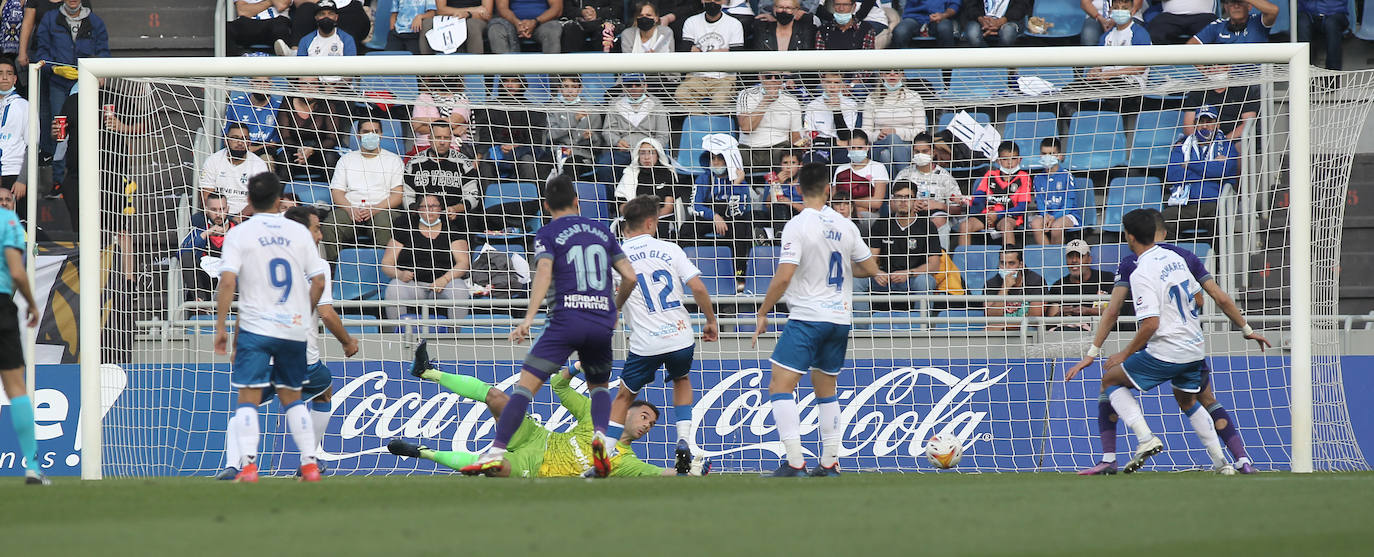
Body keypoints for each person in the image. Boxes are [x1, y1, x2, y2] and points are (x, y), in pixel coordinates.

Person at [1063, 209, 1270, 474]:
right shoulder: (1180, 258)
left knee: (1110, 381)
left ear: (1130, 235)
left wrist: (1117, 353)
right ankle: (1229, 463)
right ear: (1161, 232)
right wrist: (1246, 329)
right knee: (1191, 399)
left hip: (1167, 347)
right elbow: (1206, 299)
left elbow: (1137, 319)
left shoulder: (1136, 268)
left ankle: (1139, 442)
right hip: (1194, 345)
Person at [460, 175, 639, 478]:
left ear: (545, 205)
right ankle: (599, 439)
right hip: (600, 322)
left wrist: (529, 318)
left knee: (524, 390)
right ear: (577, 201)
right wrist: (615, 308)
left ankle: (496, 450)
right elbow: (631, 277)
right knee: (597, 389)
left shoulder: (548, 232)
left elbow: (543, 270)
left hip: (565, 320)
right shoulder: (601, 231)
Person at [394, 342, 709, 477]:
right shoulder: (594, 415)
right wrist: (575, 366)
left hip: (535, 463)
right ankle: (426, 372)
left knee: (490, 466)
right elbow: (559, 386)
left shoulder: (624, 463)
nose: (647, 425)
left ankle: (423, 453)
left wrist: (690, 471)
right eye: (645, 416)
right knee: (499, 398)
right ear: (625, 410)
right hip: (537, 436)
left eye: (651, 425)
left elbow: (661, 473)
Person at [750, 162, 879, 477]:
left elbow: (784, 275)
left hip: (808, 316)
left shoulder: (798, 224)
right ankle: (829, 462)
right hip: (839, 319)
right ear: (829, 190)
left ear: (797, 188)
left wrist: (763, 311)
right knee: (826, 390)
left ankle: (795, 462)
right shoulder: (846, 224)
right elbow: (871, 268)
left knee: (780, 386)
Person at [215, 206, 359, 480]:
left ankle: (235, 464)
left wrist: (236, 345)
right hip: (298, 355)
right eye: (316, 228)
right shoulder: (317, 265)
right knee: (324, 392)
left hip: (260, 350)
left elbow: (245, 306)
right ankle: (310, 460)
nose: (320, 234)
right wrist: (347, 342)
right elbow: (326, 313)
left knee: (247, 405)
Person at [611, 195, 720, 473]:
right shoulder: (670, 249)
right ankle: (684, 442)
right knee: (681, 379)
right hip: (680, 336)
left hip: (645, 341)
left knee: (624, 397)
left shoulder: (616, 255)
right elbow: (697, 288)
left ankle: (606, 451)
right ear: (651, 222)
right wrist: (710, 320)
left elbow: (613, 294)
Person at [0, 195, 44, 484]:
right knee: (16, 387)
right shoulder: (8, 221)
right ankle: (32, 467)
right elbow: (17, 271)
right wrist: (31, 302)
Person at [33, 0, 106, 159]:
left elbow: (103, 52)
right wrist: (54, 68)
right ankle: (59, 180)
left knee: (85, 128)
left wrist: (99, 72)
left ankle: (85, 172)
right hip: (58, 84)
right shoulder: (50, 19)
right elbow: (41, 54)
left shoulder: (94, 21)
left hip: (84, 85)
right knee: (59, 131)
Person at [323, 119, 405, 260]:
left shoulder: (393, 160)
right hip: (350, 210)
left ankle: (385, 271)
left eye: (375, 132)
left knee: (385, 224)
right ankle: (335, 269)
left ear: (381, 134)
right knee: (330, 226)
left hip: (382, 209)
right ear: (358, 135)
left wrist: (375, 208)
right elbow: (336, 192)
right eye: (366, 132)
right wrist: (350, 209)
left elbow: (397, 196)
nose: (371, 135)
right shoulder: (346, 160)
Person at [381, 194, 472, 321]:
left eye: (433, 206)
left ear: (440, 209)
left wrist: (445, 279)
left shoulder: (453, 231)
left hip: (444, 285)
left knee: (459, 289)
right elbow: (386, 263)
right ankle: (397, 336)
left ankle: (456, 337)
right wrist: (399, 274)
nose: (429, 210)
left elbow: (463, 263)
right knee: (394, 287)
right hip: (413, 285)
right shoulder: (404, 230)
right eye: (424, 206)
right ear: (418, 210)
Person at [1164, 105, 1238, 241]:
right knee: (1163, 221)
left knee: (1220, 219)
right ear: (1195, 124)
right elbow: (1173, 174)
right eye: (1201, 122)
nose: (1205, 126)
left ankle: (1217, 261)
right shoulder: (1181, 146)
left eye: (1209, 122)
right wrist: (1210, 169)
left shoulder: (1227, 146)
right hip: (1185, 205)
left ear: (1217, 124)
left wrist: (1189, 165)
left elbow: (1222, 170)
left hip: (1213, 205)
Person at [686, 138, 754, 278]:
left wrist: (736, 185)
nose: (715, 162)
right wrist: (715, 216)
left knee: (741, 229)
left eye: (720, 158)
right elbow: (695, 205)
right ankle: (690, 272)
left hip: (731, 218)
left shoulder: (740, 182)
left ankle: (738, 274)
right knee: (687, 229)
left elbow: (740, 210)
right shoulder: (703, 179)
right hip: (709, 217)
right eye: (712, 158)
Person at [868, 182, 940, 304]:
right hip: (885, 277)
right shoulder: (882, 223)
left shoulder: (927, 226)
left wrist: (909, 273)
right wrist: (876, 272)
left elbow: (934, 265)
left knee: (925, 282)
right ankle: (859, 323)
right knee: (857, 280)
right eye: (898, 197)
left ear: (915, 200)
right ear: (893, 200)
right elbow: (870, 259)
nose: (903, 201)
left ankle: (922, 323)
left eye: (907, 197)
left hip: (914, 278)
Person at [892, 132, 964, 251]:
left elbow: (957, 210)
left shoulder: (945, 177)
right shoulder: (904, 174)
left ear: (933, 152)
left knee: (940, 221)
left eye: (925, 151)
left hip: (936, 216)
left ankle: (940, 260)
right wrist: (909, 206)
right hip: (908, 215)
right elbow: (891, 203)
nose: (920, 155)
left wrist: (939, 205)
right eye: (917, 151)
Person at [405, 122, 482, 229]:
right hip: (421, 216)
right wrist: (419, 211)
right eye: (438, 137)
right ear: (429, 138)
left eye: (445, 138)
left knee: (471, 222)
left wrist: (456, 209)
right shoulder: (414, 162)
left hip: (454, 216)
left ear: (451, 138)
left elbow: (473, 195)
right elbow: (406, 195)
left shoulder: (464, 162)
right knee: (402, 222)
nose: (442, 142)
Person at [597, 73, 670, 184]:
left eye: (637, 85)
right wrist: (617, 141)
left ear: (645, 86)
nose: (633, 88)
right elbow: (608, 131)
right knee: (605, 166)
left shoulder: (657, 105)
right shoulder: (615, 104)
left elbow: (663, 135)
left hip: (648, 152)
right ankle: (614, 199)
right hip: (623, 151)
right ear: (623, 87)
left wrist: (649, 147)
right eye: (629, 85)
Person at [675, 0, 744, 114]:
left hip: (724, 78)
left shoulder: (734, 24)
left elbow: (736, 57)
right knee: (681, 94)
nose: (712, 2)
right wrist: (722, 52)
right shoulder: (691, 22)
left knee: (720, 100)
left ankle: (710, 125)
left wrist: (701, 53)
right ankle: (702, 120)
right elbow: (685, 52)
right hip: (696, 77)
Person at [614, 137, 693, 238]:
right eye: (642, 153)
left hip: (659, 219)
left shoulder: (668, 174)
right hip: (634, 219)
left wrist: (651, 218)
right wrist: (637, 217)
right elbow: (621, 204)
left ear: (658, 154)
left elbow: (668, 207)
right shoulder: (630, 174)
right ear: (638, 155)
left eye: (651, 153)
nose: (646, 157)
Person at [276, 76, 352, 180]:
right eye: (304, 84)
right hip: (295, 152)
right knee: (284, 156)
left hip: (320, 152)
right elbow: (285, 137)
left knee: (330, 157)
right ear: (297, 85)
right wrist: (300, 149)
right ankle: (279, 196)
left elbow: (332, 138)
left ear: (319, 85)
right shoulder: (287, 103)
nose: (309, 87)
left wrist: (312, 149)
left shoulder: (327, 105)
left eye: (313, 83)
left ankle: (335, 193)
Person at [959, 141, 1030, 248]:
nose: (1009, 163)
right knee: (965, 226)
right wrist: (966, 200)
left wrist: (998, 214)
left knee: (1006, 226)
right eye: (1005, 159)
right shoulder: (990, 175)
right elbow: (979, 197)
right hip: (987, 215)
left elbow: (1022, 207)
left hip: (1009, 216)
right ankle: (964, 261)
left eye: (1013, 158)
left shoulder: (1024, 177)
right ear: (998, 161)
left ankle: (1008, 259)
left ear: (1020, 159)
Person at [736, 71, 804, 173]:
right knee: (732, 155)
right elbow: (746, 128)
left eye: (777, 77)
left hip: (778, 149)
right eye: (768, 77)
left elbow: (795, 137)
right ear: (760, 77)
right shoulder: (746, 94)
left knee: (790, 157)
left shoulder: (792, 100)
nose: (773, 80)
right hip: (748, 149)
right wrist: (766, 101)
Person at [200, 123, 271, 218]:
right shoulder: (213, 161)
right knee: (197, 220)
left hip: (247, 216)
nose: (240, 142)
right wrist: (220, 217)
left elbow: (259, 200)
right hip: (218, 214)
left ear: (249, 142)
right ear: (226, 140)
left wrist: (238, 218)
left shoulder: (259, 165)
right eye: (235, 138)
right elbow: (206, 195)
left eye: (244, 138)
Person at [862, 69, 926, 169]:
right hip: (879, 145)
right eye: (887, 71)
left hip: (907, 145)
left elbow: (921, 131)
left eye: (896, 71)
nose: (892, 74)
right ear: (881, 74)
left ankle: (897, 183)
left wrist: (895, 132)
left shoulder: (914, 97)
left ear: (902, 75)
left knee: (886, 155)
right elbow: (865, 133)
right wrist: (878, 135)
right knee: (889, 143)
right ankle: (905, 179)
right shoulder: (871, 98)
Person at [178, 193, 237, 303]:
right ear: (206, 210)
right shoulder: (199, 230)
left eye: (222, 209)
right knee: (186, 255)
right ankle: (200, 302)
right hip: (206, 281)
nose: (218, 214)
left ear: (227, 209)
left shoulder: (238, 230)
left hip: (232, 280)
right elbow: (181, 252)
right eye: (214, 210)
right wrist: (206, 234)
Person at [1080, 0, 1150, 89]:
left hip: (1130, 83)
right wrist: (1095, 70)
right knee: (1076, 87)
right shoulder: (1106, 36)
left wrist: (1112, 73)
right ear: (1110, 11)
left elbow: (1141, 68)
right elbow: (1099, 63)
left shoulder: (1140, 33)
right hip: (1106, 81)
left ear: (1132, 11)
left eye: (1124, 8)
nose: (1120, 11)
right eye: (1116, 8)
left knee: (1113, 86)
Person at [1045, 239, 1113, 329]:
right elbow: (1049, 324)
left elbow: (1117, 310)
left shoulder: (1106, 279)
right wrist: (1060, 313)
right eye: (1070, 256)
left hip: (1099, 333)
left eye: (1079, 256)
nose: (1074, 260)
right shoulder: (1058, 286)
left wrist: (1088, 311)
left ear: (1089, 259)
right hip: (1065, 335)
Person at [546, 75, 603, 180]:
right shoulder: (552, 107)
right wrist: (574, 119)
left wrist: (591, 137)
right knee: (542, 164)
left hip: (582, 154)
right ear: (559, 88)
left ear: (580, 89)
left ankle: (569, 196)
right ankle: (543, 196)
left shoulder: (592, 110)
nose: (570, 90)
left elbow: (599, 144)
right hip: (556, 151)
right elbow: (551, 135)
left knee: (571, 165)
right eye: (566, 86)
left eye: (574, 86)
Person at [1028, 138, 1082, 246]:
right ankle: (1047, 257)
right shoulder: (1037, 178)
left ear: (1060, 156)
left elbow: (1069, 205)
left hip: (1068, 215)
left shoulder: (1066, 176)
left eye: (1051, 154)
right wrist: (1045, 215)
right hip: (1047, 214)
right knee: (1035, 223)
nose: (1047, 157)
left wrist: (1054, 217)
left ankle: (1056, 259)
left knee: (1056, 227)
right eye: (1044, 153)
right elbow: (1039, 202)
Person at [224, 78, 284, 169]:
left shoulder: (279, 107)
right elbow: (226, 136)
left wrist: (255, 149)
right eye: (258, 82)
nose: (262, 86)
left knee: (266, 161)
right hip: (238, 149)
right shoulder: (236, 104)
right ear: (251, 83)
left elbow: (276, 143)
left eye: (266, 82)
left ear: (271, 84)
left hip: (264, 152)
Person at [831, 130, 888, 220]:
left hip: (866, 216)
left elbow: (876, 202)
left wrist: (849, 202)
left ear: (867, 147)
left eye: (860, 148)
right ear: (848, 148)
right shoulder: (841, 169)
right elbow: (833, 199)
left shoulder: (878, 167)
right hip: (840, 216)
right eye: (853, 148)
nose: (856, 150)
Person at [983, 247, 1044, 331]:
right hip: (1001, 330)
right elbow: (990, 316)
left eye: (1011, 263)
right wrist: (1004, 289)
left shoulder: (1035, 280)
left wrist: (1005, 325)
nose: (1006, 267)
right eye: (1002, 263)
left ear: (1021, 264)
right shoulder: (991, 283)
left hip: (1026, 331)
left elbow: (1034, 318)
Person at [803, 71, 859, 162]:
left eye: (836, 83)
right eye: (829, 82)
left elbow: (845, 137)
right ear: (822, 83)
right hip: (818, 147)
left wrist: (836, 109)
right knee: (812, 161)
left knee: (844, 159)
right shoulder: (812, 105)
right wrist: (831, 142)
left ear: (842, 84)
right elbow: (808, 136)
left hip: (840, 149)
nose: (832, 86)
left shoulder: (851, 104)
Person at [411, 76, 473, 154]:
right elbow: (418, 128)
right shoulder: (422, 98)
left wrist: (423, 120)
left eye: (448, 74)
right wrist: (452, 130)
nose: (445, 77)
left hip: (453, 148)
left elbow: (454, 121)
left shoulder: (462, 99)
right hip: (423, 147)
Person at [282, 0, 359, 63]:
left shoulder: (347, 39)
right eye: (322, 14)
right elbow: (301, 70)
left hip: (339, 81)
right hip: (313, 80)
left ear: (336, 17)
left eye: (330, 14)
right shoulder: (305, 41)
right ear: (316, 17)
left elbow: (350, 71)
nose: (326, 17)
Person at [1186, 0, 1277, 45]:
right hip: (1228, 80)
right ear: (1226, 8)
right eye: (1232, 3)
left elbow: (1274, 11)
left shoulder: (1258, 22)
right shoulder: (1218, 26)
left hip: (1258, 79)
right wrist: (1207, 70)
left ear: (1249, 7)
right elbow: (1191, 46)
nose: (1236, 6)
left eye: (1240, 2)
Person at [488, 0, 563, 53]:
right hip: (513, 23)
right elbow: (502, 8)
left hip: (541, 23)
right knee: (496, 30)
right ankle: (508, 74)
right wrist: (517, 22)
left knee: (553, 29)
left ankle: (552, 74)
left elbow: (557, 8)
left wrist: (535, 21)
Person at [0, 58, 27, 197]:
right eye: (0, 73)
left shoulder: (24, 106)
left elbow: (32, 145)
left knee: (15, 219)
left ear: (15, 79)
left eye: (9, 73)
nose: (4, 77)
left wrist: (22, 179)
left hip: (13, 173)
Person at [1297, 0, 1350, 71]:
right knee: (1302, 25)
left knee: (1331, 25)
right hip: (1307, 12)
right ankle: (1303, 73)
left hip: (1334, 12)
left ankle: (1332, 75)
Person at [228, 0, 292, 56]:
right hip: (249, 23)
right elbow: (243, 11)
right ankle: (236, 63)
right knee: (227, 29)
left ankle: (285, 60)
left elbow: (281, 4)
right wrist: (270, 2)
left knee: (280, 27)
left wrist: (256, 5)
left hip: (275, 21)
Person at [751, 0, 816, 50]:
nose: (784, 11)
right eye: (780, 7)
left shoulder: (805, 30)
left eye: (788, 8)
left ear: (796, 10)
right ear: (774, 9)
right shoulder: (762, 29)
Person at [891, 0, 958, 48]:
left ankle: (947, 66)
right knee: (900, 31)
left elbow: (954, 5)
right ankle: (900, 65)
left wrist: (943, 15)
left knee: (945, 29)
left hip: (940, 17)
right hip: (914, 16)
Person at [1148, 0, 1220, 44]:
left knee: (1216, 30)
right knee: (1155, 30)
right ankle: (1162, 65)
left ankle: (1210, 66)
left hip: (1203, 16)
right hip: (1171, 16)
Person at [959, 0, 1027, 47]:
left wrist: (1001, 21)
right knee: (973, 33)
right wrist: (981, 20)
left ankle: (1000, 62)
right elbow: (969, 6)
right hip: (979, 20)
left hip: (1009, 20)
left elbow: (1021, 7)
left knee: (1008, 32)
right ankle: (987, 61)